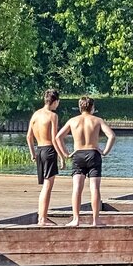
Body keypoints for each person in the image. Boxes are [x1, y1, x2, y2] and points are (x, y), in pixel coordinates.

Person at [54, 96, 115, 227]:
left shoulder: (73, 121)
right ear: (92, 107)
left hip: (78, 154)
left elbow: (58, 137)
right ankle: (96, 220)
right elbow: (111, 136)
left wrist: (65, 153)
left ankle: (76, 219)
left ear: (80, 107)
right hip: (93, 153)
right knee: (95, 188)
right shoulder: (97, 120)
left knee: (77, 188)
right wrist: (105, 151)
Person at [26, 89, 63, 226]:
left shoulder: (35, 115)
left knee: (45, 186)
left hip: (39, 150)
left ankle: (42, 216)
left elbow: (29, 136)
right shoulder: (52, 116)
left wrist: (32, 153)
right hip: (49, 150)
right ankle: (43, 218)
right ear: (55, 102)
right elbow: (54, 139)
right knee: (47, 186)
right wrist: (61, 156)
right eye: (58, 102)